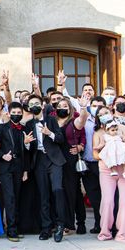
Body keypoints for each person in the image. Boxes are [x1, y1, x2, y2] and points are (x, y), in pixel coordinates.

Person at [25, 94, 68, 242]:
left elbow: (61, 139)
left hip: (54, 160)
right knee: (43, 195)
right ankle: (46, 228)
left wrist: (49, 133)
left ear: (42, 105)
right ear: (29, 108)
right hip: (39, 161)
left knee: (57, 190)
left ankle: (61, 225)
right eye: (32, 104)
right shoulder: (28, 124)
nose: (35, 105)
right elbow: (29, 149)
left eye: (37, 103)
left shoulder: (51, 120)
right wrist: (26, 143)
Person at [92, 107, 125, 242]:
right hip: (107, 170)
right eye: (100, 115)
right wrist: (109, 153)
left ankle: (122, 233)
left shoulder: (122, 129)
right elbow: (95, 155)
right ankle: (105, 231)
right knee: (107, 201)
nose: (104, 116)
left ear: (111, 113)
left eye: (106, 113)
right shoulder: (98, 133)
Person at [0, 102, 34, 241]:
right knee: (9, 197)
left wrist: (25, 170)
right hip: (6, 166)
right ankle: (11, 230)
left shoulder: (24, 129)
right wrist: (2, 155)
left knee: (17, 197)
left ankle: (15, 227)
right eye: (14, 113)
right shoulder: (2, 127)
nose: (16, 115)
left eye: (19, 113)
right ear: (9, 113)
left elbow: (28, 152)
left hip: (19, 166)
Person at [54, 96, 88, 235]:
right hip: (56, 159)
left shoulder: (73, 122)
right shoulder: (52, 122)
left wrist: (84, 108)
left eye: (65, 106)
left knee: (74, 191)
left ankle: (80, 223)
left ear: (70, 109)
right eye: (60, 106)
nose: (62, 108)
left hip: (70, 159)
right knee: (60, 191)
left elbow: (83, 119)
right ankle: (66, 222)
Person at [81, 96, 106, 233]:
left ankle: (109, 223)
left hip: (105, 165)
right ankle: (98, 223)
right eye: (94, 105)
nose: (97, 107)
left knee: (107, 196)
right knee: (94, 196)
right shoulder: (85, 122)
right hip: (89, 163)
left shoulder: (108, 123)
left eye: (100, 105)